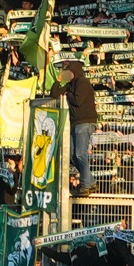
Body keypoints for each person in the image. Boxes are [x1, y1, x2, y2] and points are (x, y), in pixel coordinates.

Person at [57, 60, 98, 193]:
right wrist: (58, 81)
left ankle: (85, 185)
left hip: (85, 122)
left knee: (80, 153)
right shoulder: (70, 85)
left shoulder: (83, 83)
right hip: (75, 123)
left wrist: (68, 94)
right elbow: (54, 93)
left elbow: (78, 100)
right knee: (72, 155)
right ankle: (90, 181)